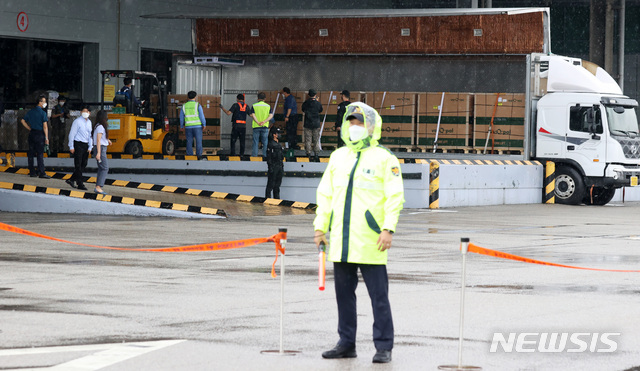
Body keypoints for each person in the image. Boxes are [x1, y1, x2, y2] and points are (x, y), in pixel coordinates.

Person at [313, 102, 404, 364]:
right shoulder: (338, 156)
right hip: (341, 242)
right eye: (351, 122)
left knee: (379, 297)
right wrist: (320, 227)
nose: (354, 127)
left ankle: (384, 346)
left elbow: (394, 197)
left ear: (371, 127)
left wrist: (388, 229)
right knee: (344, 296)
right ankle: (346, 342)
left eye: (359, 122)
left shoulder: (385, 158)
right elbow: (326, 195)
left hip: (371, 241)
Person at [20, 95, 51, 178]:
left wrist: (29, 128)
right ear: (40, 102)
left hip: (32, 133)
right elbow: (45, 126)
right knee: (40, 154)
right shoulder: (42, 113)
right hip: (40, 134)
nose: (45, 103)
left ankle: (32, 172)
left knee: (31, 153)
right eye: (44, 101)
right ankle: (41, 172)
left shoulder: (31, 112)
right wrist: (46, 138)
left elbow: (22, 121)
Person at [66, 106, 93, 190]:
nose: (85, 113)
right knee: (78, 164)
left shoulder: (89, 122)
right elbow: (72, 134)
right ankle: (80, 183)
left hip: (85, 145)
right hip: (78, 144)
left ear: (89, 113)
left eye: (87, 111)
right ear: (81, 112)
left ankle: (71, 179)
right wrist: (71, 146)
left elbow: (90, 135)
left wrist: (90, 146)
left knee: (84, 164)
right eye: (83, 111)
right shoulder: (77, 121)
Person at [180, 91, 206, 159]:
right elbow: (201, 116)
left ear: (187, 97)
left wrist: (181, 126)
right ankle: (199, 155)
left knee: (189, 141)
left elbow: (181, 117)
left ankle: (189, 155)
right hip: (197, 127)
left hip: (188, 127)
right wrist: (204, 124)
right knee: (198, 141)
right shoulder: (197, 105)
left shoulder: (184, 106)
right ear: (195, 97)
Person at [92, 110, 111, 195]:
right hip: (101, 149)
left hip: (101, 148)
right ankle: (98, 187)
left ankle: (98, 186)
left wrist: (107, 140)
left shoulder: (98, 126)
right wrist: (99, 153)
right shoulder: (100, 127)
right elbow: (98, 140)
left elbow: (101, 138)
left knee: (101, 168)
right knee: (105, 167)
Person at [301, 89, 323, 159]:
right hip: (316, 123)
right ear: (315, 95)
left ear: (308, 95)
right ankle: (316, 153)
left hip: (307, 123)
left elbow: (303, 110)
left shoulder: (305, 103)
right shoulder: (318, 104)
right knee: (316, 139)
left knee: (308, 139)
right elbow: (320, 110)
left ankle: (308, 153)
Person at [251, 92, 273, 157]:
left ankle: (254, 156)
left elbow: (253, 115)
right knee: (265, 142)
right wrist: (264, 121)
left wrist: (258, 122)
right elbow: (271, 116)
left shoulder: (254, 105)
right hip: (265, 126)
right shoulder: (268, 106)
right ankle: (265, 155)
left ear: (258, 99)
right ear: (265, 99)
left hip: (256, 126)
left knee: (255, 142)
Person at [265, 127, 284, 199]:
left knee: (277, 186)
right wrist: (270, 167)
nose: (279, 135)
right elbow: (269, 157)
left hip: (279, 166)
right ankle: (268, 199)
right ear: (274, 135)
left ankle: (277, 200)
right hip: (274, 165)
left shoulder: (279, 144)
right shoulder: (271, 144)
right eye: (277, 133)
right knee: (270, 185)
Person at [282, 87, 298, 151]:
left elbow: (289, 108)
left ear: (285, 93)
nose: (282, 94)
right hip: (293, 117)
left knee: (290, 131)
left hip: (292, 117)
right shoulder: (289, 98)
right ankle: (292, 144)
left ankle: (291, 144)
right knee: (292, 131)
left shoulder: (289, 98)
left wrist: (287, 116)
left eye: (283, 93)